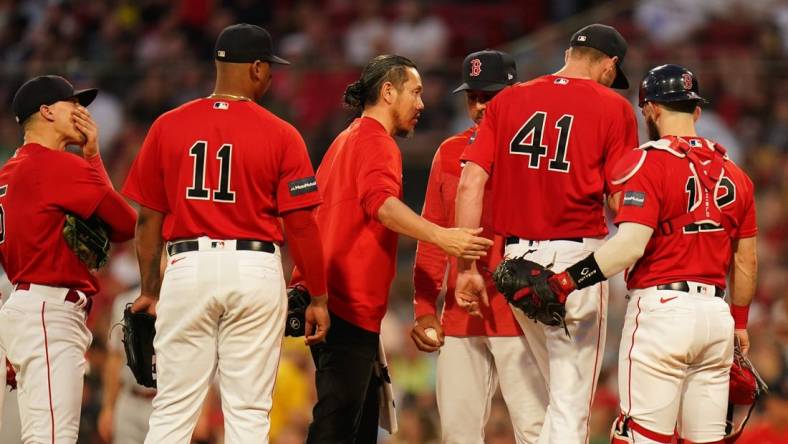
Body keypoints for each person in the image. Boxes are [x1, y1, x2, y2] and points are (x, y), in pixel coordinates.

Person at [122, 23, 330, 443]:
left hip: (187, 265)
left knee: (172, 409)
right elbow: (302, 223)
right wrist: (319, 294)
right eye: (268, 67)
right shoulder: (281, 132)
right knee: (248, 413)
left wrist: (150, 289)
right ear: (255, 68)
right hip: (254, 268)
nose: (271, 76)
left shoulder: (168, 125)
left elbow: (148, 220)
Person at [525, 64, 755, 443]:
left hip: (662, 311)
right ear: (696, 112)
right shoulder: (737, 174)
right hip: (718, 316)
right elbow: (746, 260)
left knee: (641, 437)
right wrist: (740, 323)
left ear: (649, 110)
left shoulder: (649, 163)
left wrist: (567, 280)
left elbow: (630, 245)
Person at [455, 24, 639, 444]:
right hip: (575, 267)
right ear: (610, 64)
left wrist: (466, 265)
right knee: (571, 406)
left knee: (556, 399)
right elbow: (620, 200)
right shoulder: (613, 106)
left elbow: (470, 183)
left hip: (514, 264)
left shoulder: (510, 98)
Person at [296, 54, 494, 444]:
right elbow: (381, 205)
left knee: (357, 426)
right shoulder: (376, 142)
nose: (421, 104)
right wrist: (442, 236)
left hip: (334, 300)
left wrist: (306, 286)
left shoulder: (344, 140)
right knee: (337, 428)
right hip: (347, 305)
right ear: (388, 92)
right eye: (415, 92)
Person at [410, 49, 547, 443]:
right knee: (457, 432)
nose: (480, 105)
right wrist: (423, 306)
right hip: (461, 311)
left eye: (490, 94)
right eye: (473, 96)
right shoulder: (450, 152)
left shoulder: (533, 153)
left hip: (519, 309)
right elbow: (435, 233)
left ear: (514, 93)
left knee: (535, 429)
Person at [0, 75, 136, 443]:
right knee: (53, 437)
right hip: (48, 311)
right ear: (46, 111)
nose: (81, 112)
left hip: (24, 307)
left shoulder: (11, 170)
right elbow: (126, 224)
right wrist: (92, 156)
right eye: (72, 104)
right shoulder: (57, 166)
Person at [98, 286, 156, 444]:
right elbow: (115, 360)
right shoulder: (125, 301)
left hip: (164, 403)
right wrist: (108, 407)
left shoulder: (179, 301)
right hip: (129, 400)